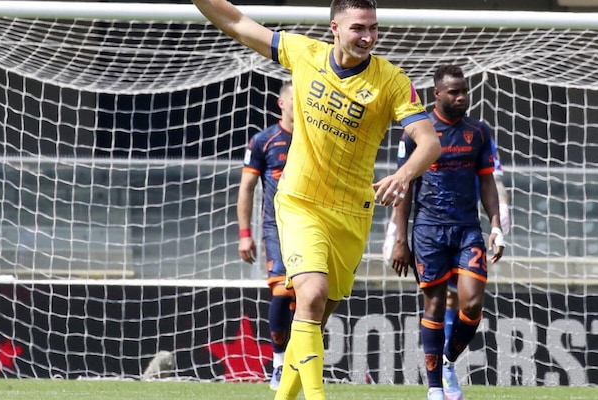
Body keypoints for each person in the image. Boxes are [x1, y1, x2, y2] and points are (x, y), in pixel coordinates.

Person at [193, 1, 442, 399]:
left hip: (352, 213)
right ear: (335, 28)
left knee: (314, 318)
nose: (368, 37)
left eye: (373, 28)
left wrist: (403, 174)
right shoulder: (303, 53)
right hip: (300, 201)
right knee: (310, 295)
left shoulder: (392, 81)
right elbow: (238, 22)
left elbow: (429, 143)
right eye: (358, 28)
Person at [389, 64, 505, 400]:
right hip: (428, 231)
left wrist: (496, 225)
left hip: (468, 230)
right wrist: (400, 240)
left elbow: (487, 181)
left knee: (472, 304)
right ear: (436, 94)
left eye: (464, 91)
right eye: (454, 92)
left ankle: (448, 361)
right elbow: (404, 188)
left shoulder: (478, 132)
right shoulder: (417, 133)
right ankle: (435, 388)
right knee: (436, 305)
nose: (462, 97)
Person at [383, 121, 511, 347]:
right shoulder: (421, 135)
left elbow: (494, 179)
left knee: (467, 300)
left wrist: (501, 213)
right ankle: (443, 362)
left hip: (466, 224)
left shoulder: (479, 135)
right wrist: (394, 231)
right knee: (444, 298)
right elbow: (406, 183)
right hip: (433, 227)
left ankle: (448, 355)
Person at [236, 81, 295, 391]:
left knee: (309, 297)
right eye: (294, 99)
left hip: (312, 226)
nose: (300, 104)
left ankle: (301, 362)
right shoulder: (264, 140)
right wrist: (245, 234)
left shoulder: (317, 139)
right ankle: (279, 363)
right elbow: (246, 189)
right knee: (282, 292)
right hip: (276, 227)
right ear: (281, 103)